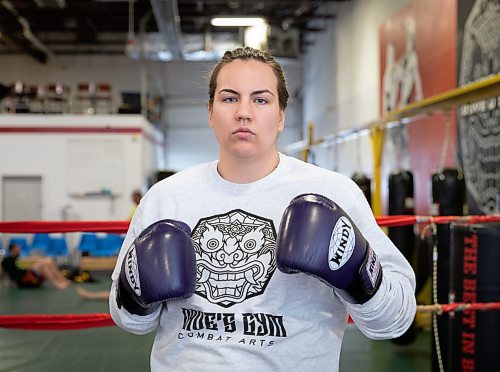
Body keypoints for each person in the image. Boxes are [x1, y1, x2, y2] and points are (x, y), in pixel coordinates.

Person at [109, 47, 416, 371]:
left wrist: (356, 271)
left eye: (260, 99)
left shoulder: (332, 193)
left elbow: (394, 321)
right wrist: (135, 292)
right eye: (229, 98)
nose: (244, 112)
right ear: (211, 112)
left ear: (281, 115)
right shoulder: (165, 198)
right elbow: (130, 322)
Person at [1, 243, 71, 289]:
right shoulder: (7, 260)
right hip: (25, 280)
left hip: (29, 274)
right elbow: (5, 271)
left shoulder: (18, 257)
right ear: (12, 249)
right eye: (17, 248)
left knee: (48, 260)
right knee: (43, 264)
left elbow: (23, 266)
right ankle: (56, 283)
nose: (19, 249)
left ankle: (61, 279)